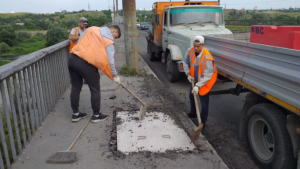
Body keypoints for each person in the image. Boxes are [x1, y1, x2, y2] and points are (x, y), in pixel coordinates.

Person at [68, 25, 121, 123]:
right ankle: (96, 115)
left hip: (72, 58)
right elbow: (111, 60)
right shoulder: (109, 40)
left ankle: (75, 114)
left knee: (75, 87)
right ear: (113, 32)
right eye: (115, 37)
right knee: (95, 89)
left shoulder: (91, 29)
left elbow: (80, 42)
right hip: (86, 63)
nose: (114, 39)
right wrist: (115, 75)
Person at [183, 35, 218, 129]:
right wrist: (188, 74)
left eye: (198, 46)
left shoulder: (207, 57)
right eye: (194, 45)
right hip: (195, 79)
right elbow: (185, 62)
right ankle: (193, 113)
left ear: (203, 45)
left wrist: (198, 86)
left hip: (205, 81)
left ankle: (202, 123)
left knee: (204, 104)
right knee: (192, 95)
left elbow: (208, 75)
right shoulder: (190, 51)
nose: (195, 48)